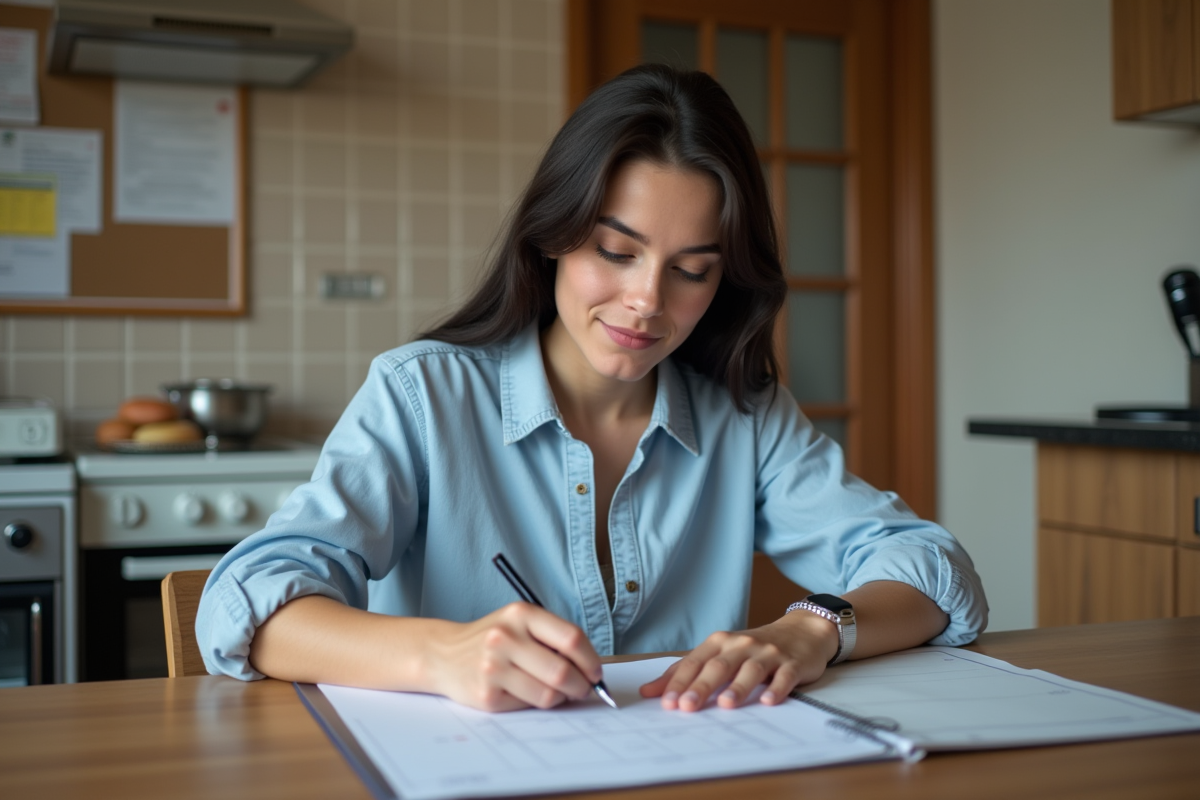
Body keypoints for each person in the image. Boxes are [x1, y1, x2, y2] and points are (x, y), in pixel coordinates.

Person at [196, 64, 986, 714]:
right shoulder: (423, 393)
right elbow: (249, 602)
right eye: (616, 251)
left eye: (692, 270)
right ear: (554, 236)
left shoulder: (743, 415)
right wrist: (441, 653)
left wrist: (815, 628)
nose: (647, 301)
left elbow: (930, 568)